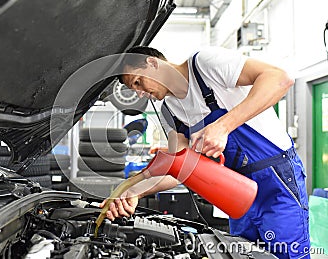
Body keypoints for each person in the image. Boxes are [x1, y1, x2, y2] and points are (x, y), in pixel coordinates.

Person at [99, 46, 310, 259]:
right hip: (236, 190)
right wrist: (135, 191)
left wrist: (223, 126)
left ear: (153, 63)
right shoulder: (168, 110)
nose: (140, 93)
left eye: (138, 82)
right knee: (244, 255)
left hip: (276, 180)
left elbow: (280, 78)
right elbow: (178, 169)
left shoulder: (204, 65)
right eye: (134, 89)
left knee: (288, 254)